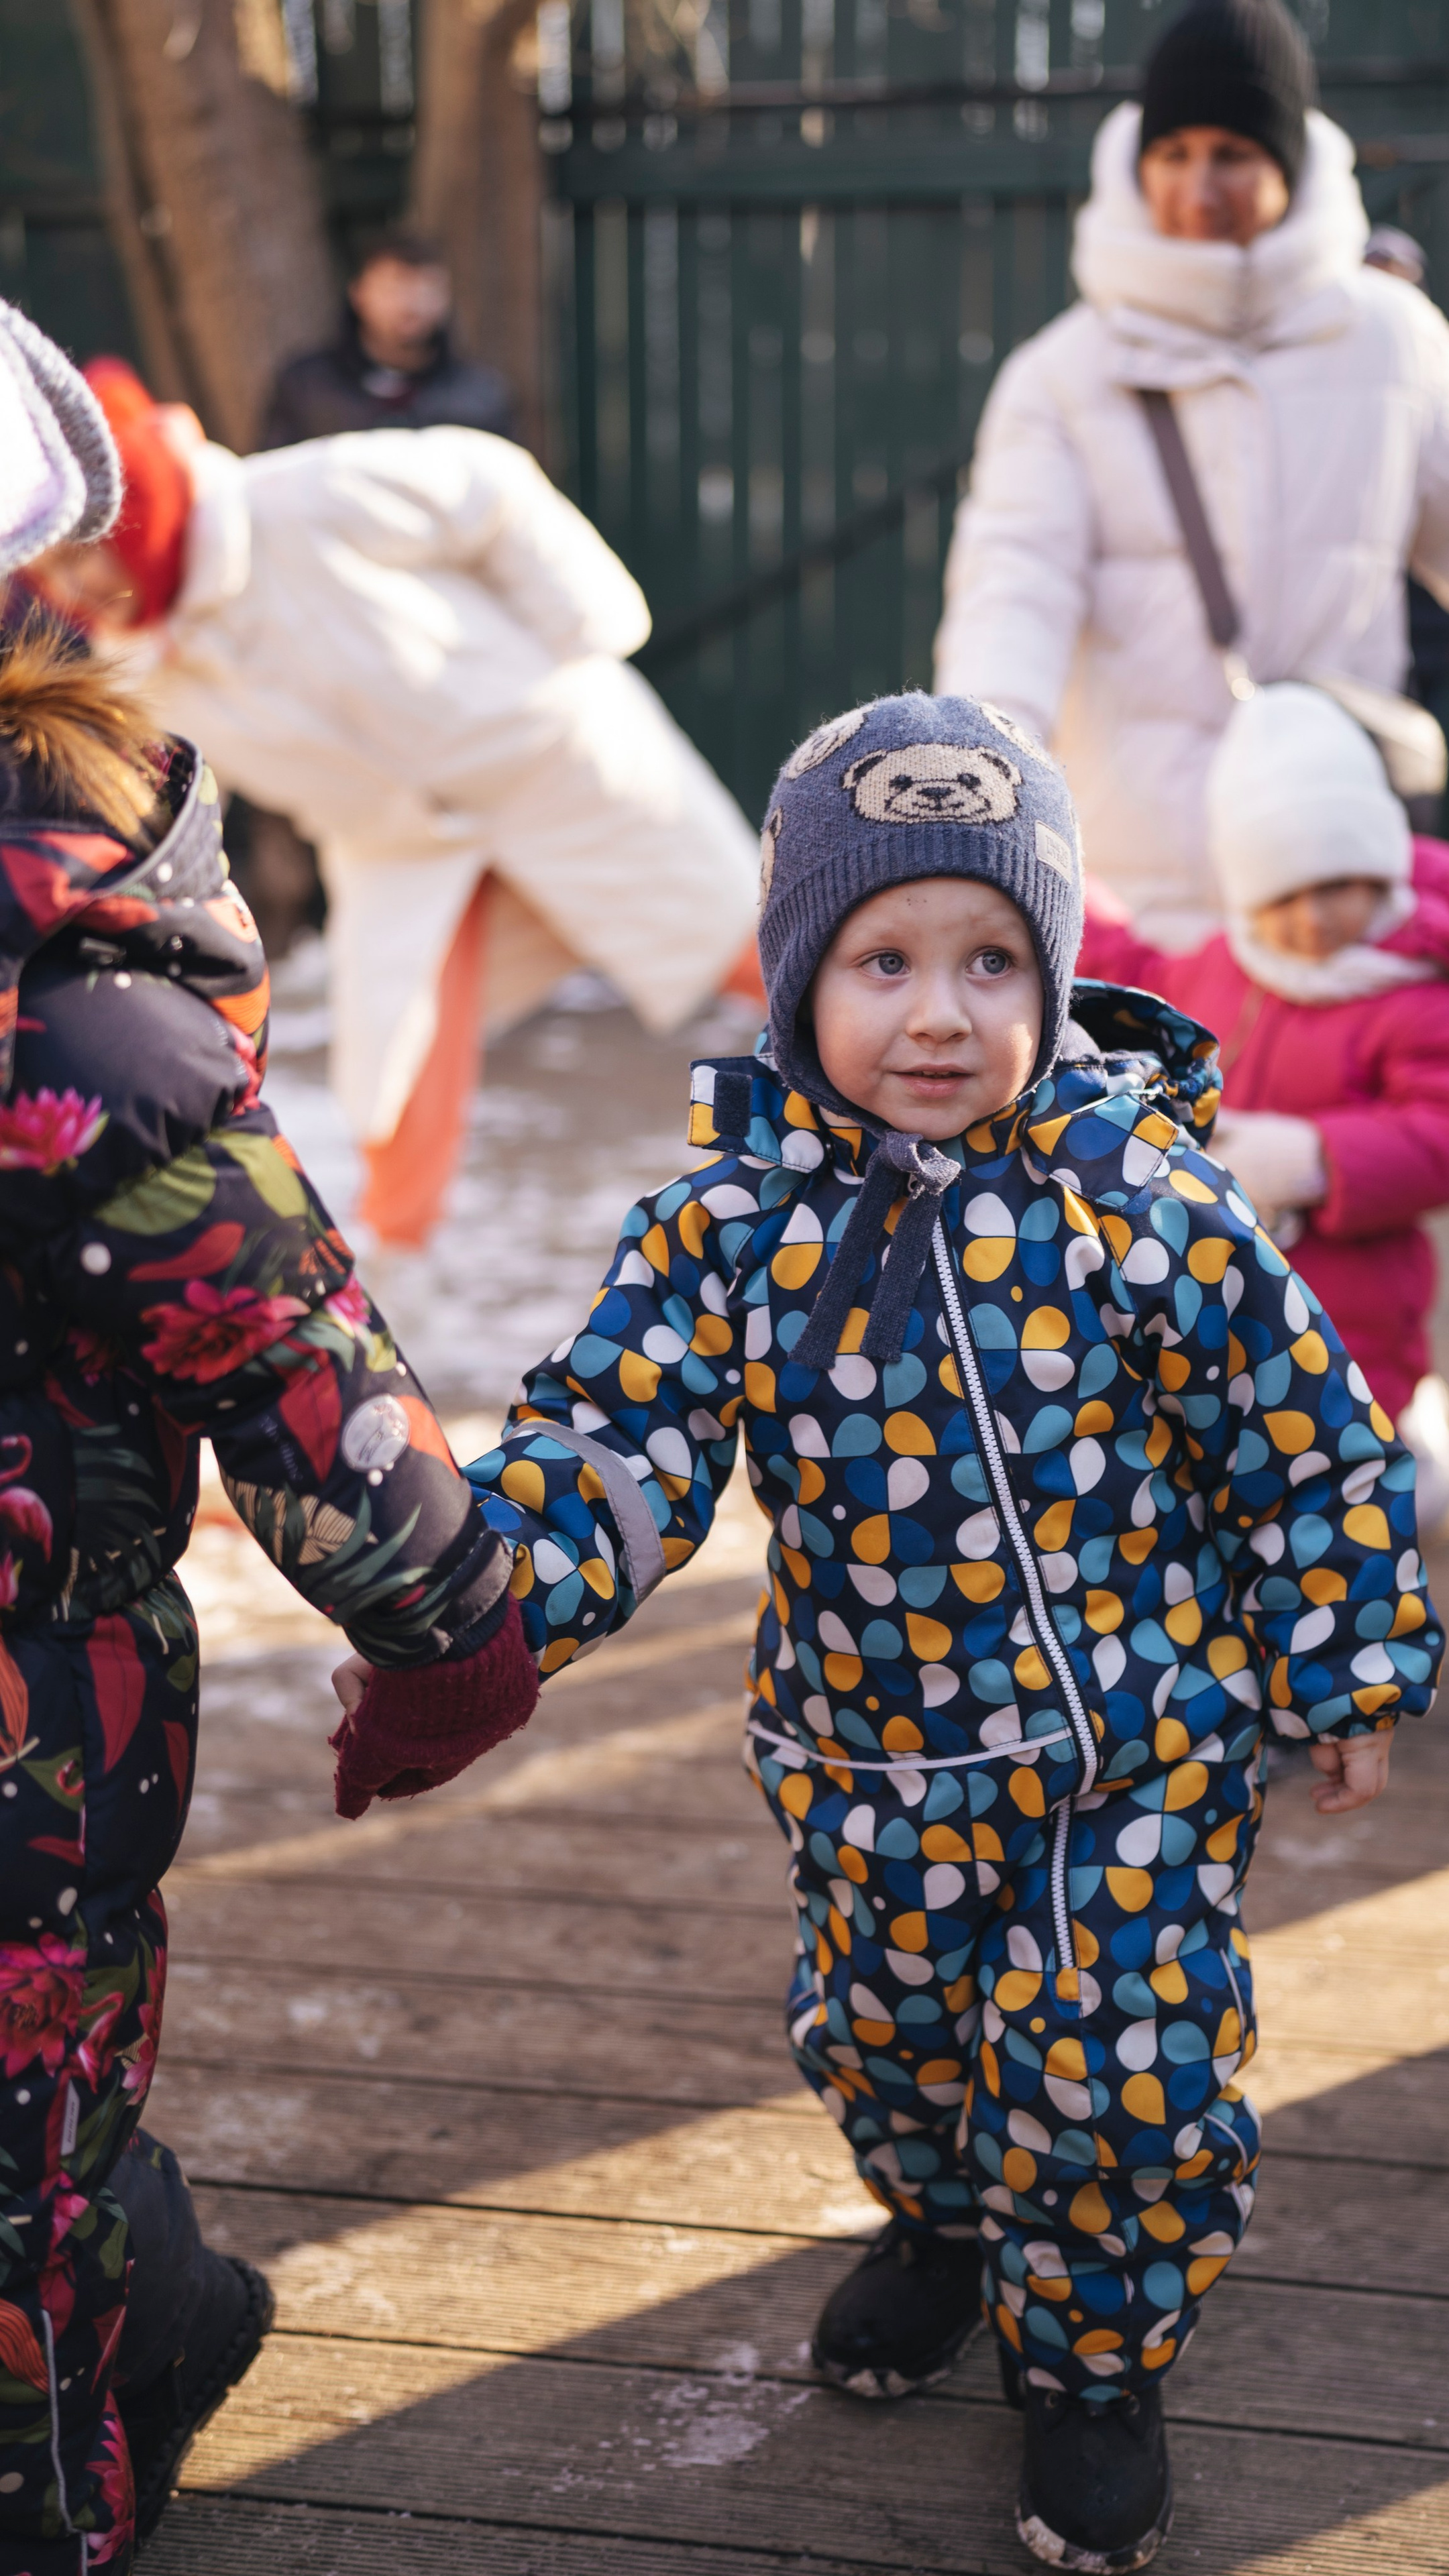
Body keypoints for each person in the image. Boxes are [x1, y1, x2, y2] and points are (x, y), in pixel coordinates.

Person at [378, 692, 1444, 2571]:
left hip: (1135, 1750)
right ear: (799, 980)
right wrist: (490, 1591)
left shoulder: (1144, 1199)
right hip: (868, 1754)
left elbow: (1305, 1433)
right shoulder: (734, 1229)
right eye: (883, 959)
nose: (938, 1013)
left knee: (1116, 2064)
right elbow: (616, 1438)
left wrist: (1346, 1658)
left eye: (990, 959)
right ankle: (945, 2216)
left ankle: (1098, 2357)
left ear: (1055, 970)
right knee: (890, 2033)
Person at [0, 296, 543, 2573]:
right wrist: (447, 1632)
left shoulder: (82, 1030)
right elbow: (292, 1356)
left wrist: (440, 1626)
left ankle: (106, 2366)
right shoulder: (84, 1025)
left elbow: (275, 1333)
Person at [933, 0, 1449, 948]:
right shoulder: (1062, 378)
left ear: (1291, 162)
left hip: (1328, 881)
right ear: (1134, 165)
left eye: (1233, 152)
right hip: (1143, 902)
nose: (1200, 185)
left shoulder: (1390, 343)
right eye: (1173, 154)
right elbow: (1012, 596)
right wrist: (968, 789)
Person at [25, 362, 764, 1258]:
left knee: (758, 953)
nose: (75, 588)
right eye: (51, 568)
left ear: (134, 507)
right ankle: (397, 1290)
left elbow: (489, 487)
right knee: (393, 1077)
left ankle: (911, 1146)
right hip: (399, 850)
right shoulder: (144, 668)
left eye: (81, 552)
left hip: (551, 769)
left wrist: (581, 633)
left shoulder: (302, 498)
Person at [1079, 682, 1449, 1532]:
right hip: (1228, 1289)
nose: (1314, 920)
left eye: (1341, 886)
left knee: (1352, 1460)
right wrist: (1065, 893)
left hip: (1355, 1293)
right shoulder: (1224, 965)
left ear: (1382, 868)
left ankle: (1404, 1459)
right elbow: (1138, 973)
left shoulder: (1417, 993)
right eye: (1284, 897)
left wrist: (1310, 1155)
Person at [259, 229, 519, 449]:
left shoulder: (480, 395)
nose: (410, 304)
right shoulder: (306, 386)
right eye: (394, 288)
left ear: (446, 298)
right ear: (359, 293)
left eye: (427, 289)